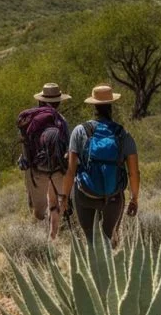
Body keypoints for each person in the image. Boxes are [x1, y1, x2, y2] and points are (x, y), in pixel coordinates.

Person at [59, 84, 140, 242]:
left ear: (93, 106)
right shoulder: (123, 134)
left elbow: (70, 170)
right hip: (113, 197)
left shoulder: (80, 131)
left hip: (85, 195)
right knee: (109, 240)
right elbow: (133, 173)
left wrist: (64, 198)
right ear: (111, 106)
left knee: (91, 240)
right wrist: (134, 198)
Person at [17, 83, 71, 240]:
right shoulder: (61, 120)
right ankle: (54, 236)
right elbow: (67, 147)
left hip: (36, 171)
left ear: (40, 101)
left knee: (37, 210)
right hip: (58, 169)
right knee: (56, 204)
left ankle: (40, 239)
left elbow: (25, 151)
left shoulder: (29, 120)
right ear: (58, 102)